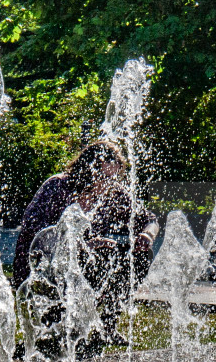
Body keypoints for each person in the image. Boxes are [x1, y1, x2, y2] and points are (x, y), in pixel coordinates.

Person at [13, 140, 158, 349]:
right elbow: (36, 232)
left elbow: (150, 220)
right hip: (41, 268)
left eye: (114, 177)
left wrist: (146, 236)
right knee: (86, 256)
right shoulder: (58, 187)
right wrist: (85, 245)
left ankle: (107, 326)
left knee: (138, 256)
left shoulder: (113, 194)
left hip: (82, 264)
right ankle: (54, 324)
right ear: (87, 170)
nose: (110, 183)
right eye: (105, 177)